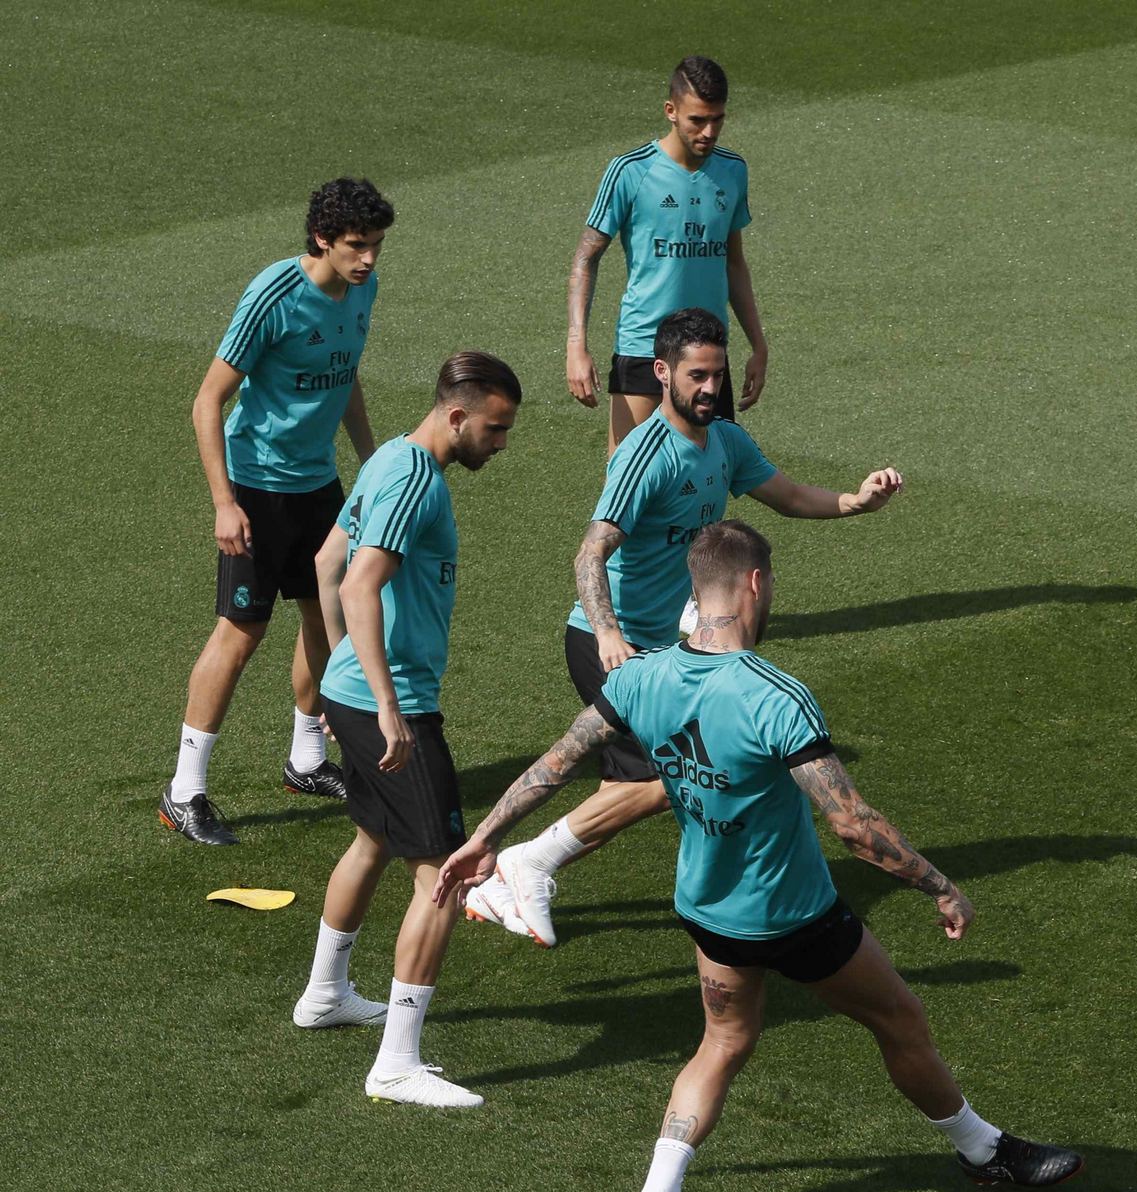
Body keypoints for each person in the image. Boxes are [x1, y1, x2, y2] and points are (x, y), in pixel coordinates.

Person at [435, 521, 1083, 1192]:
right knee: (898, 1020)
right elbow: (852, 824)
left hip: (708, 913)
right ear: (754, 583)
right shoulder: (777, 696)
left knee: (723, 1043)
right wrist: (939, 885)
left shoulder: (640, 679)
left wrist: (485, 839)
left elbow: (555, 764)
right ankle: (982, 1151)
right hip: (797, 917)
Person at [461, 307, 901, 948]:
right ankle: (527, 862)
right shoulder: (646, 457)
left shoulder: (724, 441)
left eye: (717, 376)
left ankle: (524, 864)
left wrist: (854, 502)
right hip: (609, 640)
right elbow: (590, 553)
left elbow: (787, 495)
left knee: (656, 778)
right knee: (660, 779)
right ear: (662, 372)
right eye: (697, 375)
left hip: (667, 648)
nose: (709, 389)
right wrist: (611, 634)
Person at [289, 353, 519, 1109]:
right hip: (398, 704)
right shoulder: (414, 477)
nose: (500, 443)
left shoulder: (387, 454)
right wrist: (384, 703)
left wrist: (337, 675)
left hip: (357, 692)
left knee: (373, 840)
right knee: (447, 876)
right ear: (458, 416)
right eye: (495, 428)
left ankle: (326, 994)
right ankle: (396, 1063)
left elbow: (326, 562)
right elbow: (357, 580)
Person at [161, 178, 394, 844]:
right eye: (358, 246)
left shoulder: (362, 290)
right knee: (241, 632)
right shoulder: (274, 295)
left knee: (326, 614)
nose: (370, 259)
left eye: (376, 246)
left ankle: (307, 758)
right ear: (322, 237)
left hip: (317, 482)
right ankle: (186, 791)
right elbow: (208, 402)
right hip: (257, 487)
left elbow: (345, 374)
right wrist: (224, 503)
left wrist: (372, 463)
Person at [566, 55, 766, 457]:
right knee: (628, 484)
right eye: (697, 120)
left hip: (709, 353)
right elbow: (586, 258)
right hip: (644, 349)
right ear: (671, 112)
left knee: (706, 479)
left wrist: (758, 345)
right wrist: (576, 345)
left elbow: (733, 263)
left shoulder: (733, 171)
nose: (709, 132)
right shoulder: (629, 171)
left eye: (718, 120)